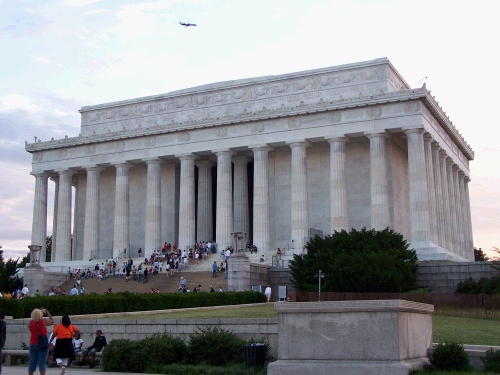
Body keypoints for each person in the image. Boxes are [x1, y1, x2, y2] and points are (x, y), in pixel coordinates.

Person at [28, 308, 54, 375]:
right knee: (42, 362)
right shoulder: (43, 321)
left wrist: (37, 311)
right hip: (42, 343)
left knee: (32, 362)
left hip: (33, 343)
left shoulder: (30, 323)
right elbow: (52, 320)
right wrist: (47, 313)